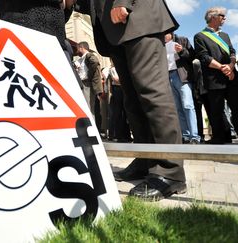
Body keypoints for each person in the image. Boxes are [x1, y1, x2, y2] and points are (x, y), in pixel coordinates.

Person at [74, 0, 186, 201]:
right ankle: (146, 159)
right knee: (132, 101)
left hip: (136, 16)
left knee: (153, 94)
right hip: (114, 31)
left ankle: (170, 172)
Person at [194, 7, 238, 145]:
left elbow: (232, 52)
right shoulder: (199, 36)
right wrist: (221, 67)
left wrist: (231, 66)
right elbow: (204, 57)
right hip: (214, 79)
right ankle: (219, 138)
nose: (224, 19)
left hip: (231, 77)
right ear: (213, 17)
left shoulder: (225, 35)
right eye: (222, 16)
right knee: (216, 111)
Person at [165, 32, 201, 144]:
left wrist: (182, 51)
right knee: (177, 107)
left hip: (181, 76)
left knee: (188, 105)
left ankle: (194, 136)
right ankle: (185, 136)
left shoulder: (182, 40)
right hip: (167, 76)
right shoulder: (158, 43)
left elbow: (193, 56)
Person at [75, 41, 103, 119]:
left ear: (81, 48)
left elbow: (95, 62)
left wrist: (88, 75)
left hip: (86, 84)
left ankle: (91, 128)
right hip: (84, 84)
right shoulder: (83, 58)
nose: (76, 51)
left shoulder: (89, 55)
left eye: (77, 49)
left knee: (88, 108)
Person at [107, 62, 131, 142]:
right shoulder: (113, 69)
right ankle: (118, 135)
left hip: (123, 89)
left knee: (125, 112)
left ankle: (126, 135)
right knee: (118, 113)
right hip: (117, 90)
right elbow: (116, 80)